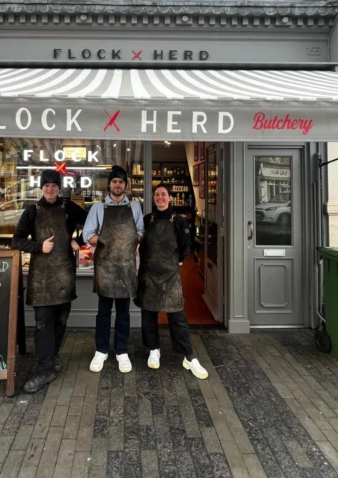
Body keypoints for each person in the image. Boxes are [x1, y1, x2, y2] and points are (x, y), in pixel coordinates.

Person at [13, 168, 87, 393]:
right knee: (43, 324)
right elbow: (16, 241)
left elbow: (93, 222)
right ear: (41, 187)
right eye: (46, 185)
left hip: (64, 276)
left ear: (59, 187)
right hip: (41, 279)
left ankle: (53, 357)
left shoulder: (69, 208)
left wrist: (80, 240)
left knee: (60, 321)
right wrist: (38, 247)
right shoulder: (32, 211)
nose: (50, 189)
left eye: (54, 185)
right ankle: (44, 370)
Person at [135, 183, 208, 379]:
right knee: (148, 315)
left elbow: (186, 246)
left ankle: (188, 356)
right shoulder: (146, 220)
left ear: (169, 198)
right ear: (153, 198)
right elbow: (140, 245)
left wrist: (176, 262)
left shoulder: (179, 221)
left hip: (170, 275)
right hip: (148, 274)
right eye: (157, 195)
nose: (160, 198)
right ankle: (153, 349)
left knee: (177, 317)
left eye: (163, 195)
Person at [83, 164, 144, 373]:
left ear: (125, 185)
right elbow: (87, 235)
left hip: (126, 265)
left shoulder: (134, 207)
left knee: (124, 312)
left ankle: (121, 351)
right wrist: (110, 239)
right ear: (109, 184)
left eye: (121, 182)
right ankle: (100, 351)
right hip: (106, 266)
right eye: (114, 181)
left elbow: (140, 232)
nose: (118, 185)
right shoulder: (98, 208)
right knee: (103, 311)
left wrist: (129, 239)